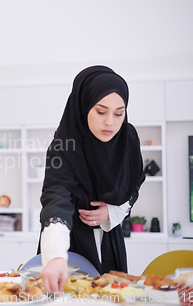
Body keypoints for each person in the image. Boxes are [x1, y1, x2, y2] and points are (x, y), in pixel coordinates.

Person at [38, 66, 145, 293]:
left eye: (119, 113)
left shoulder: (128, 138)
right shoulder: (63, 146)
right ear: (85, 106)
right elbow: (56, 196)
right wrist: (56, 255)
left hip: (110, 239)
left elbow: (134, 182)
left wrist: (112, 212)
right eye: (101, 111)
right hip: (70, 242)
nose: (110, 123)